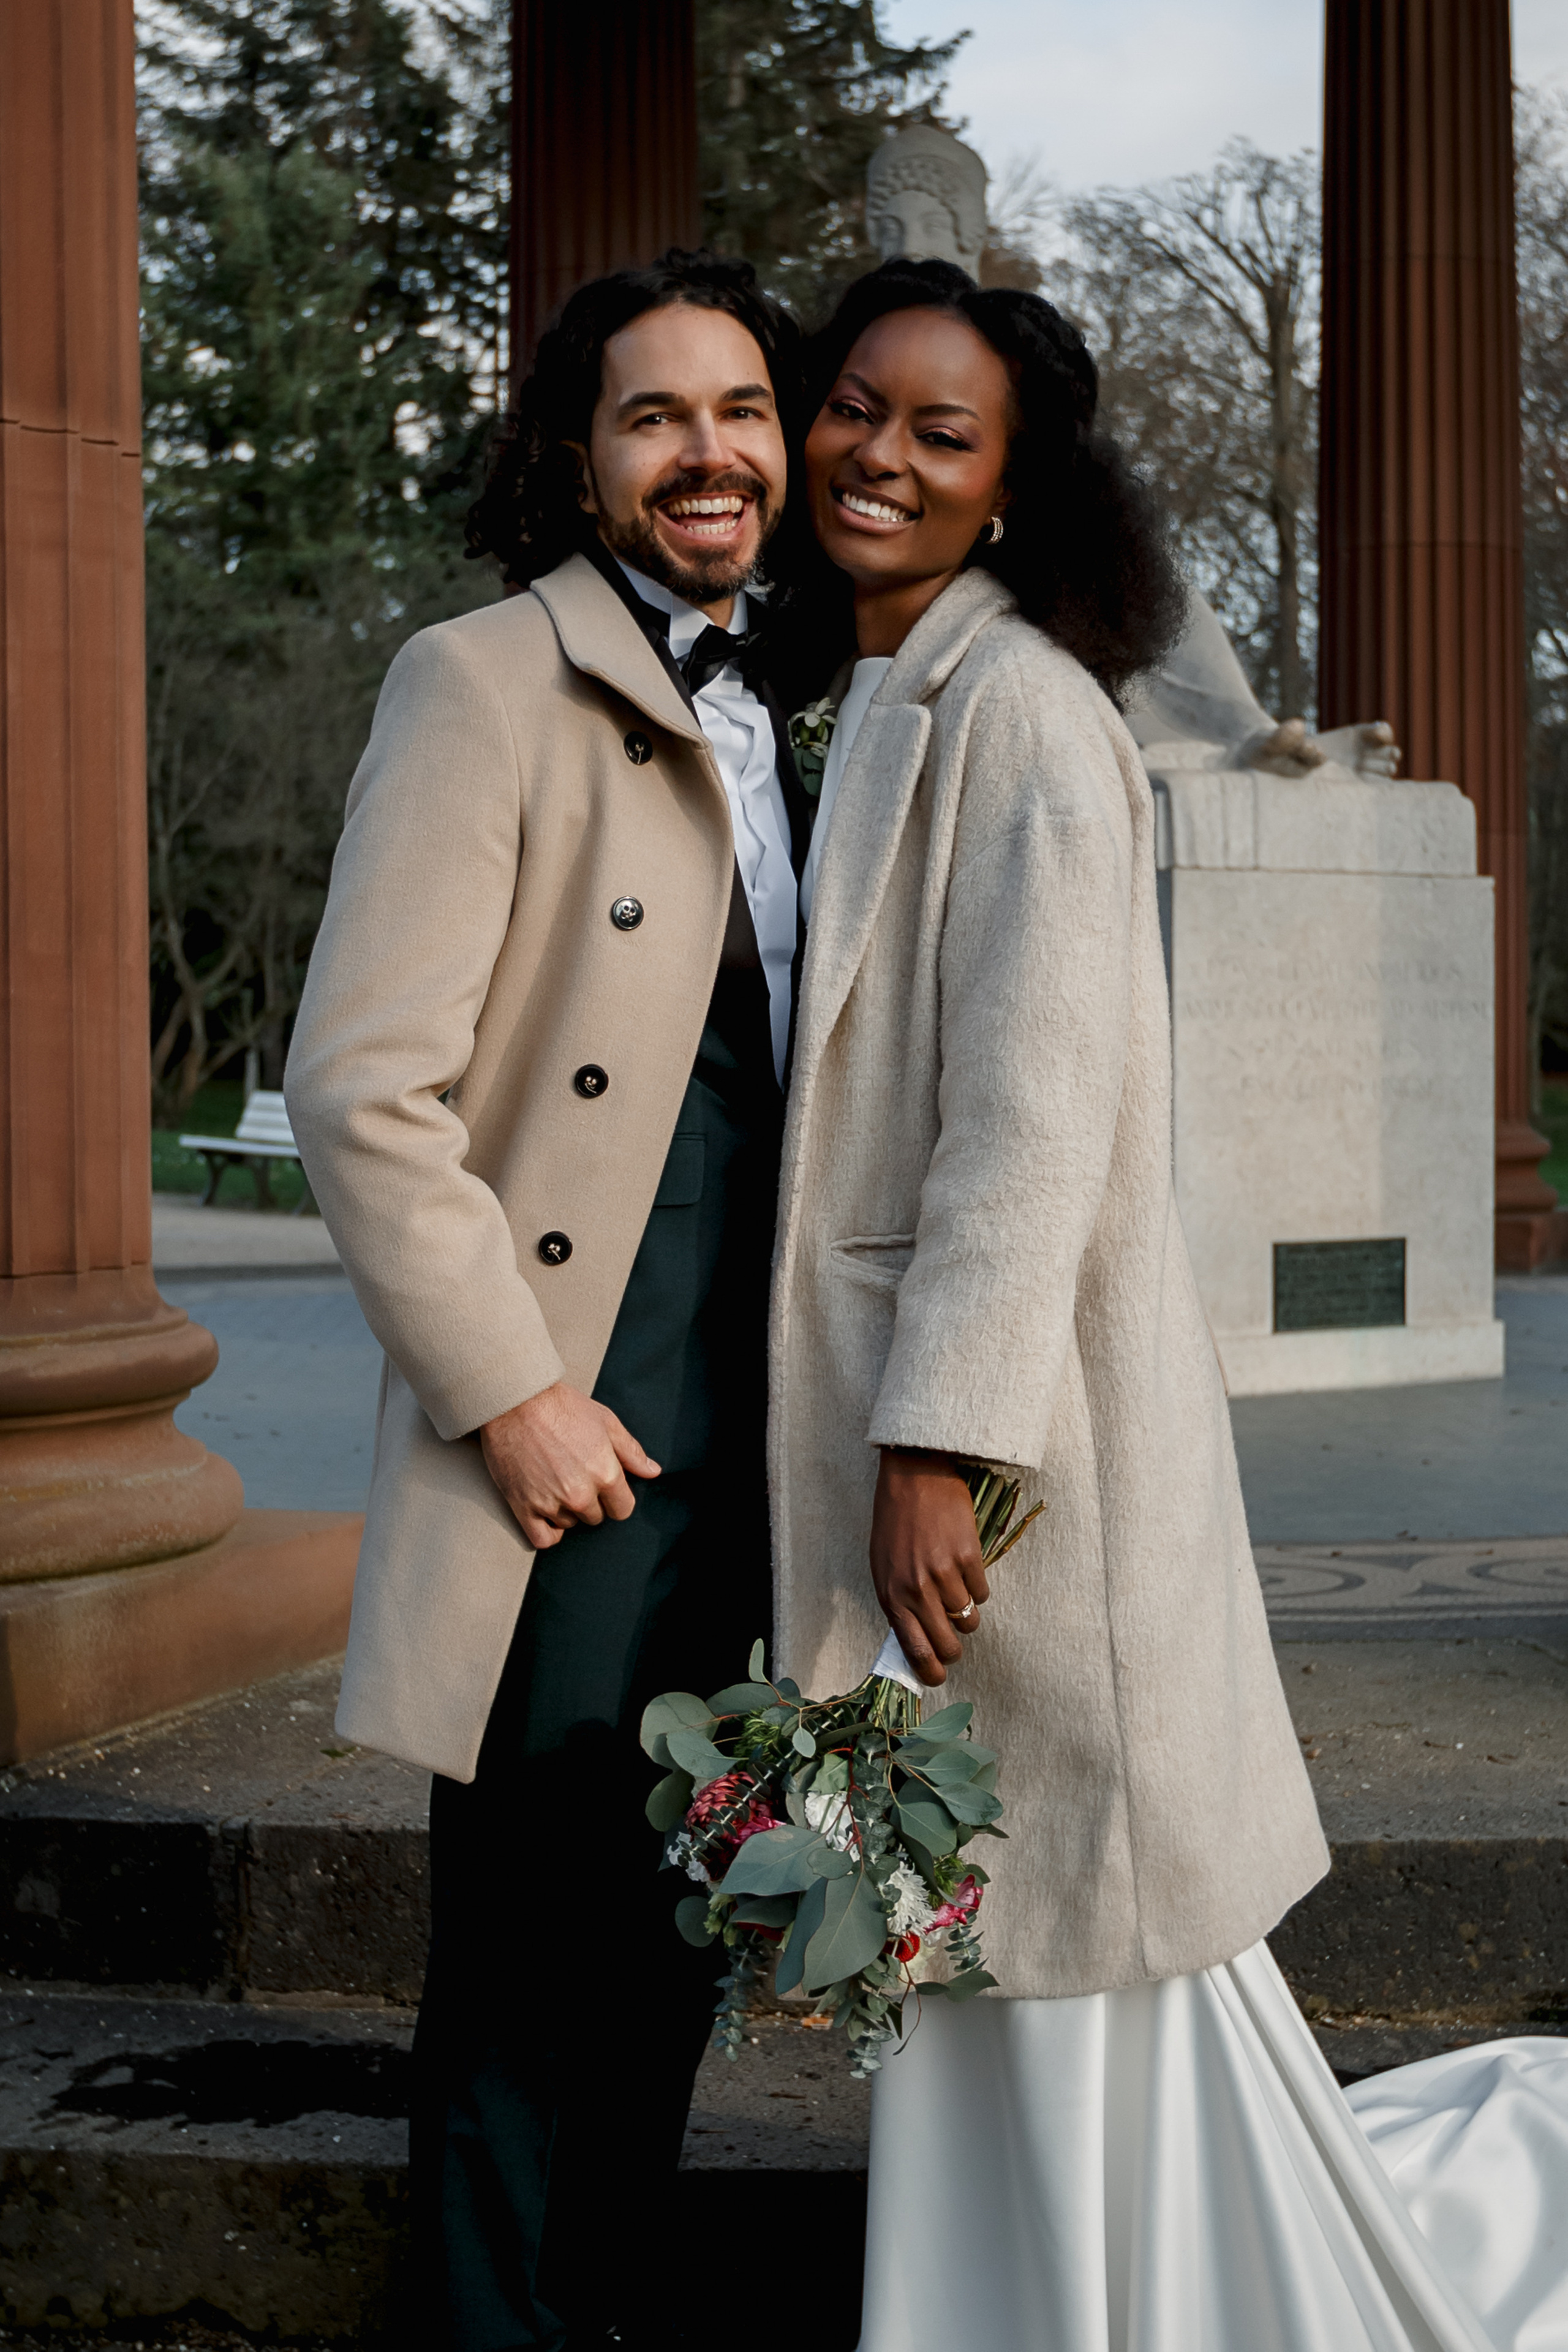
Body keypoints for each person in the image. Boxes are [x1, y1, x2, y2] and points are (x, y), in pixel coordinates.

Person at [774, 257, 1496, 2352]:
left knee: (1068, 1905)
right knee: (1015, 1911)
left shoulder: (1024, 713)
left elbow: (1032, 1115)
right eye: (857, 409)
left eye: (941, 433)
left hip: (1021, 1459)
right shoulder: (899, 691)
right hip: (955, 1434)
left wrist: (945, 1453)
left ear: (1011, 491)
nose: (879, 456)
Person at [285, 249, 811, 2351]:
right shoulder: (484, 678)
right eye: (657, 415)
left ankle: (603, 2318)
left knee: (684, 1934)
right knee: (521, 1963)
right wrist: (511, 1393)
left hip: (754, 1440)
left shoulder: (804, 704)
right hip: (571, 1450)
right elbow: (360, 1084)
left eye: (746, 411)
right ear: (582, 462)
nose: (712, 453)